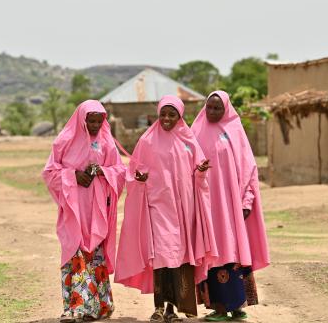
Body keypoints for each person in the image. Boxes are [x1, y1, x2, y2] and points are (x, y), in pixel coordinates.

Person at [115, 95, 218, 323]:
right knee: (162, 257)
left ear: (180, 116)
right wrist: (139, 179)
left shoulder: (188, 141)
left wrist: (200, 171)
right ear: (157, 115)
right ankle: (158, 308)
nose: (167, 119)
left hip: (183, 210)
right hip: (157, 206)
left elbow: (200, 175)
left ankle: (172, 309)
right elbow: (133, 172)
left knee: (178, 260)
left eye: (172, 115)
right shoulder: (147, 141)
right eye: (163, 114)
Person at [42, 100, 126, 322]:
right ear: (82, 119)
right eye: (91, 121)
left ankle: (98, 306)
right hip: (74, 209)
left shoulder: (106, 143)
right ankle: (76, 308)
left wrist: (101, 172)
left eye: (99, 121)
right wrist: (72, 175)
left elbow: (119, 171)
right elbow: (50, 172)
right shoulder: (64, 141)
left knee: (95, 254)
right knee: (75, 252)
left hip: (96, 210)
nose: (96, 125)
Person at [191, 91, 270, 322]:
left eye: (217, 108)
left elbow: (249, 169)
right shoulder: (195, 132)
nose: (213, 112)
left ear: (226, 109)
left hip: (232, 207)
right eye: (209, 108)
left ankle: (238, 306)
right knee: (212, 252)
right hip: (207, 207)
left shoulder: (235, 131)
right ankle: (218, 308)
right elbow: (189, 169)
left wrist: (246, 202)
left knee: (233, 252)